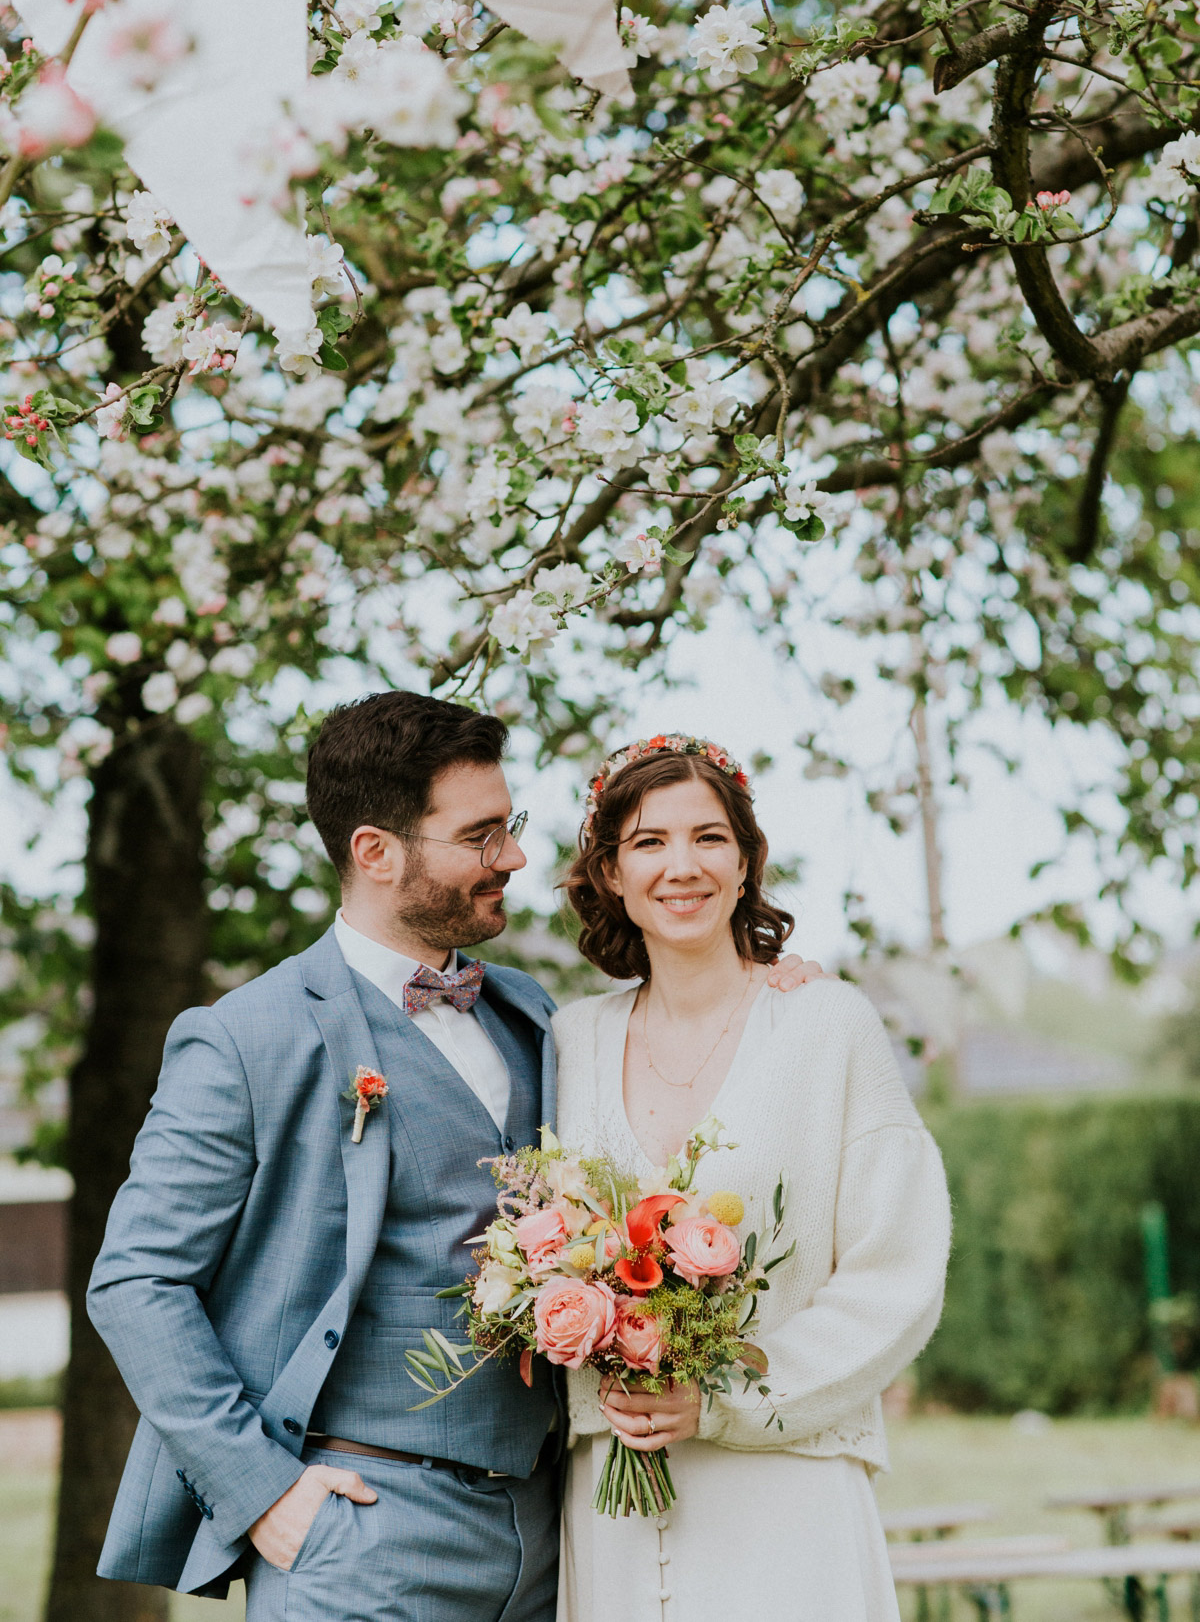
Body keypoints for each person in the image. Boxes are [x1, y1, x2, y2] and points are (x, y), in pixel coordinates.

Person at [86, 692, 824, 1620]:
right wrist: (264, 1492)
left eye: (508, 825)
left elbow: (667, 1070)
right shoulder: (244, 1039)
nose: (513, 855)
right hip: (360, 1541)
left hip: (556, 1537)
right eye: (481, 835)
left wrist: (767, 991)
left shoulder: (536, 1014)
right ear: (375, 851)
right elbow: (135, 1281)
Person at [553, 735, 952, 1622]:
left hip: (786, 1488)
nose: (681, 865)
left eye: (709, 837)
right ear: (611, 872)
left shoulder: (828, 1025)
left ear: (746, 862)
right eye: (648, 842)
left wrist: (730, 1392)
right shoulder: (568, 1040)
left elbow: (898, 1269)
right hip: (612, 1499)